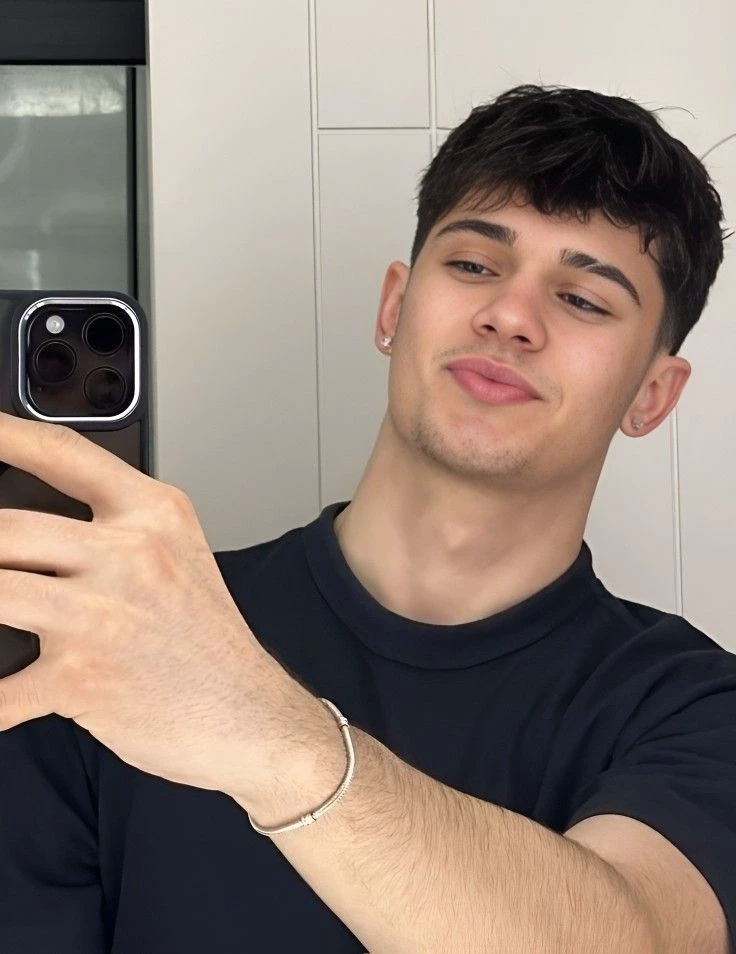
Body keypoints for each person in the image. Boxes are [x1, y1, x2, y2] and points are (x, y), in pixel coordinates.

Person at [1, 83, 734, 953]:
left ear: (652, 395)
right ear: (394, 308)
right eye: (474, 265)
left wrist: (264, 731)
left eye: (583, 299)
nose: (510, 315)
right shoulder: (123, 638)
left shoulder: (693, 707)